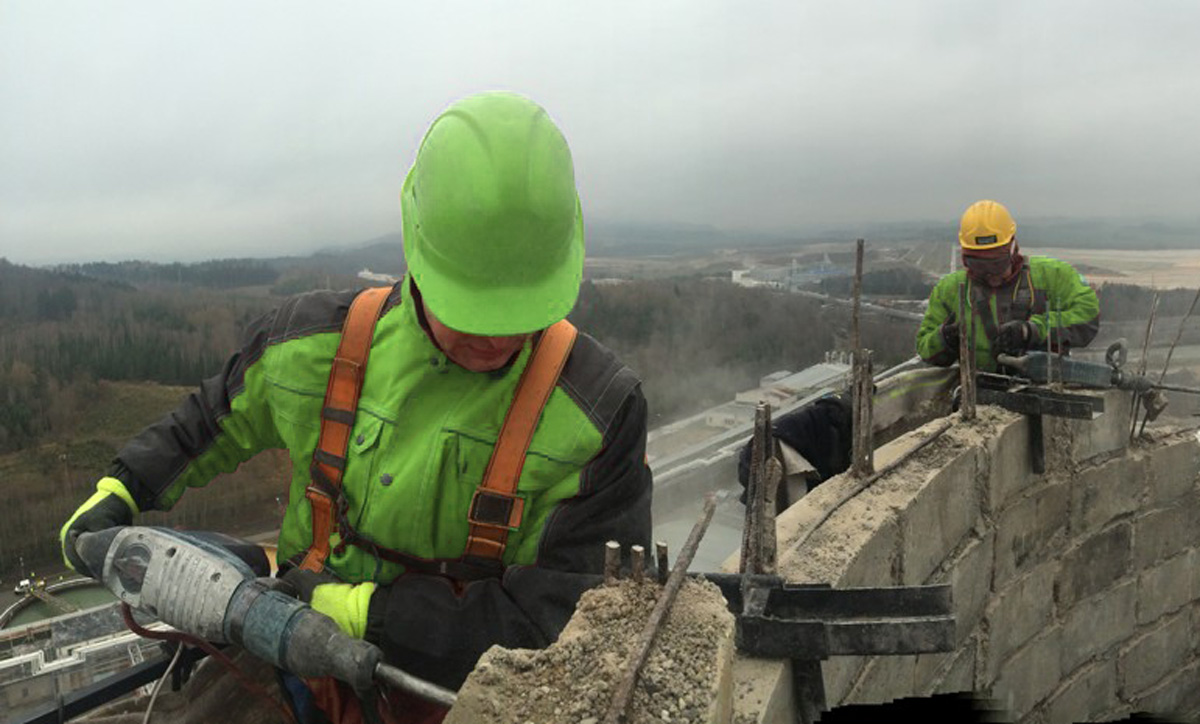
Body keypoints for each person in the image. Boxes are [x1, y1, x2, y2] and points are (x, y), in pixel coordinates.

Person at [58, 91, 653, 723]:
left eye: (519, 315)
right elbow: (211, 420)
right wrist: (121, 485)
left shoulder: (597, 414)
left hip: (461, 689)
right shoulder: (314, 346)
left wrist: (363, 613)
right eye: (473, 312)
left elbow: (564, 617)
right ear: (418, 249)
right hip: (297, 656)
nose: (497, 338)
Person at [916, 199, 1100, 372]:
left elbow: (1088, 315)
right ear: (965, 258)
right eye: (978, 266)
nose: (990, 274)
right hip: (977, 388)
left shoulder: (1052, 276)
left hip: (1043, 387)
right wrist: (945, 338)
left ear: (1013, 248)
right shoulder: (950, 290)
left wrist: (1031, 330)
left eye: (997, 263)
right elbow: (925, 348)